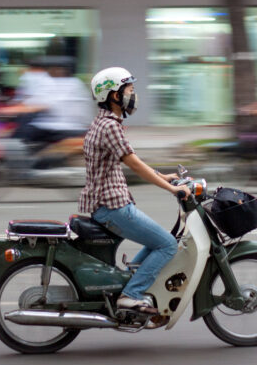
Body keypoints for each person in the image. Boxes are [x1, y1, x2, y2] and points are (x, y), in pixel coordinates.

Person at [79, 67, 191, 315]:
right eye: (129, 90)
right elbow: (135, 164)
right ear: (114, 95)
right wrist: (173, 189)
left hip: (109, 204)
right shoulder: (110, 127)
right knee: (168, 245)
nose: (133, 95)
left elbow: (130, 161)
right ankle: (131, 295)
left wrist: (163, 176)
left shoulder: (105, 123)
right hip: (114, 208)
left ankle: (131, 285)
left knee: (158, 241)